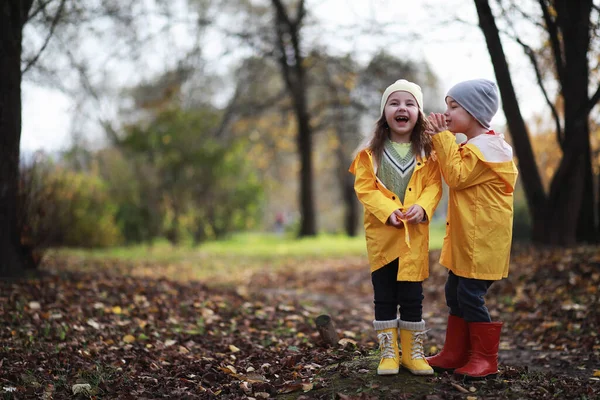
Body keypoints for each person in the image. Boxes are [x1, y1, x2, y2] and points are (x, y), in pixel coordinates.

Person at [425, 79, 518, 379]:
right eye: (446, 105)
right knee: (454, 291)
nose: (447, 112)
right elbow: (448, 164)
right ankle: (456, 353)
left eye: (454, 106)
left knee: (469, 295)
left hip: (484, 244)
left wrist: (442, 138)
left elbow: (455, 176)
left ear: (476, 113)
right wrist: (435, 140)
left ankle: (484, 358)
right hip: (469, 242)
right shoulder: (473, 147)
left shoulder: (489, 150)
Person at [349, 79, 442, 376]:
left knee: (413, 296)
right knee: (385, 294)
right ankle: (388, 352)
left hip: (413, 235)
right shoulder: (370, 153)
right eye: (394, 103)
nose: (402, 108)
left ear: (418, 114)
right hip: (383, 235)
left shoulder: (428, 153)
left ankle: (412, 354)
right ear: (384, 113)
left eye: (409, 103)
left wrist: (424, 207)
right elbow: (365, 188)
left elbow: (434, 187)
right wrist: (388, 210)